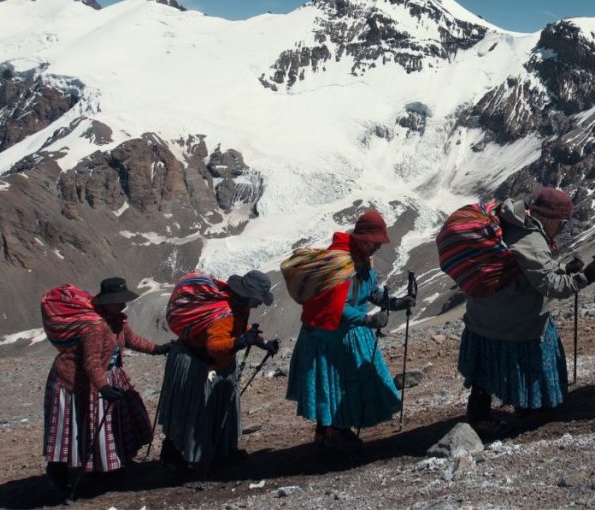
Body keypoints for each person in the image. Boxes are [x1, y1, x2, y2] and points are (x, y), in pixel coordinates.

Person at [458, 188, 595, 430]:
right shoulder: (532, 239)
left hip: (483, 315)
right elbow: (550, 285)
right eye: (562, 223)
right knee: (530, 356)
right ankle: (529, 407)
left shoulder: (511, 225)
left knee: (484, 372)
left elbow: (530, 270)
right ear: (549, 217)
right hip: (514, 321)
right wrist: (585, 277)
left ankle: (478, 413)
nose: (562, 228)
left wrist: (563, 269)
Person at [285, 210, 414, 451]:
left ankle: (328, 433)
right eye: (376, 242)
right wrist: (368, 320)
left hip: (339, 333)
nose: (377, 247)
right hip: (331, 337)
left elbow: (370, 290)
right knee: (339, 383)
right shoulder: (342, 265)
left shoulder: (362, 262)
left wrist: (394, 303)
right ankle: (335, 433)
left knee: (336, 384)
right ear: (365, 239)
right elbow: (339, 307)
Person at [42, 277, 170, 496]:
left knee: (106, 423)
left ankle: (105, 468)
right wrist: (102, 388)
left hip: (104, 376)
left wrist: (158, 349)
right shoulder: (94, 326)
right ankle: (59, 477)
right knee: (70, 429)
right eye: (118, 301)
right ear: (105, 301)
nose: (122, 305)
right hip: (73, 382)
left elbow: (131, 341)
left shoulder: (117, 320)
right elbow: (91, 363)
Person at [157, 269, 277, 471]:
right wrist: (240, 342)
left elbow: (238, 327)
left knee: (215, 408)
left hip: (212, 363)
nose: (259, 304)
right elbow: (214, 347)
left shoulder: (237, 305)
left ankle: (220, 452)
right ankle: (179, 456)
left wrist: (260, 341)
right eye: (258, 299)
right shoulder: (224, 313)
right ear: (247, 295)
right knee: (193, 410)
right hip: (199, 362)